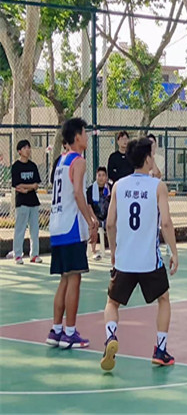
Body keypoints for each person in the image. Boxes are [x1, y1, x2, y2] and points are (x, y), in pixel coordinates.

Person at [100, 137, 179, 371]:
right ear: (147, 159)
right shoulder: (157, 186)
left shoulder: (119, 186)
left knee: (112, 302)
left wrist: (113, 251)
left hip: (124, 259)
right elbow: (166, 223)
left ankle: (111, 336)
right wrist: (174, 252)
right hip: (149, 260)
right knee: (163, 299)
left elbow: (110, 224)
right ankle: (160, 350)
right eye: (152, 155)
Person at [46, 118, 99, 349]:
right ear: (77, 137)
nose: (87, 136)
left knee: (64, 279)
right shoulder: (79, 161)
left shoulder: (61, 161)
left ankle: (56, 330)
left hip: (56, 225)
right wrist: (90, 221)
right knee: (75, 278)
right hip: (71, 227)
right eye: (85, 133)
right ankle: (69, 333)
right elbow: (78, 192)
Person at [11, 140, 42, 264]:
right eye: (24, 148)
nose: (28, 150)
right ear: (19, 151)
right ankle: (18, 255)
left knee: (34, 230)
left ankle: (34, 255)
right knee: (20, 229)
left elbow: (36, 185)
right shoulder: (16, 166)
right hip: (22, 203)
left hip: (33, 202)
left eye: (29, 147)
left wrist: (27, 188)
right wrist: (30, 186)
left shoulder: (33, 166)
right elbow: (17, 185)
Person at [86, 167, 111, 261]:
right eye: (99, 175)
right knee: (93, 225)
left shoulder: (110, 188)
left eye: (103, 175)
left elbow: (113, 204)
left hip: (108, 216)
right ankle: (93, 251)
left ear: (106, 177)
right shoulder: (91, 189)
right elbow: (89, 206)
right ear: (96, 177)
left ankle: (113, 250)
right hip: (95, 217)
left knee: (113, 224)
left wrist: (110, 217)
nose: (101, 178)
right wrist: (94, 218)